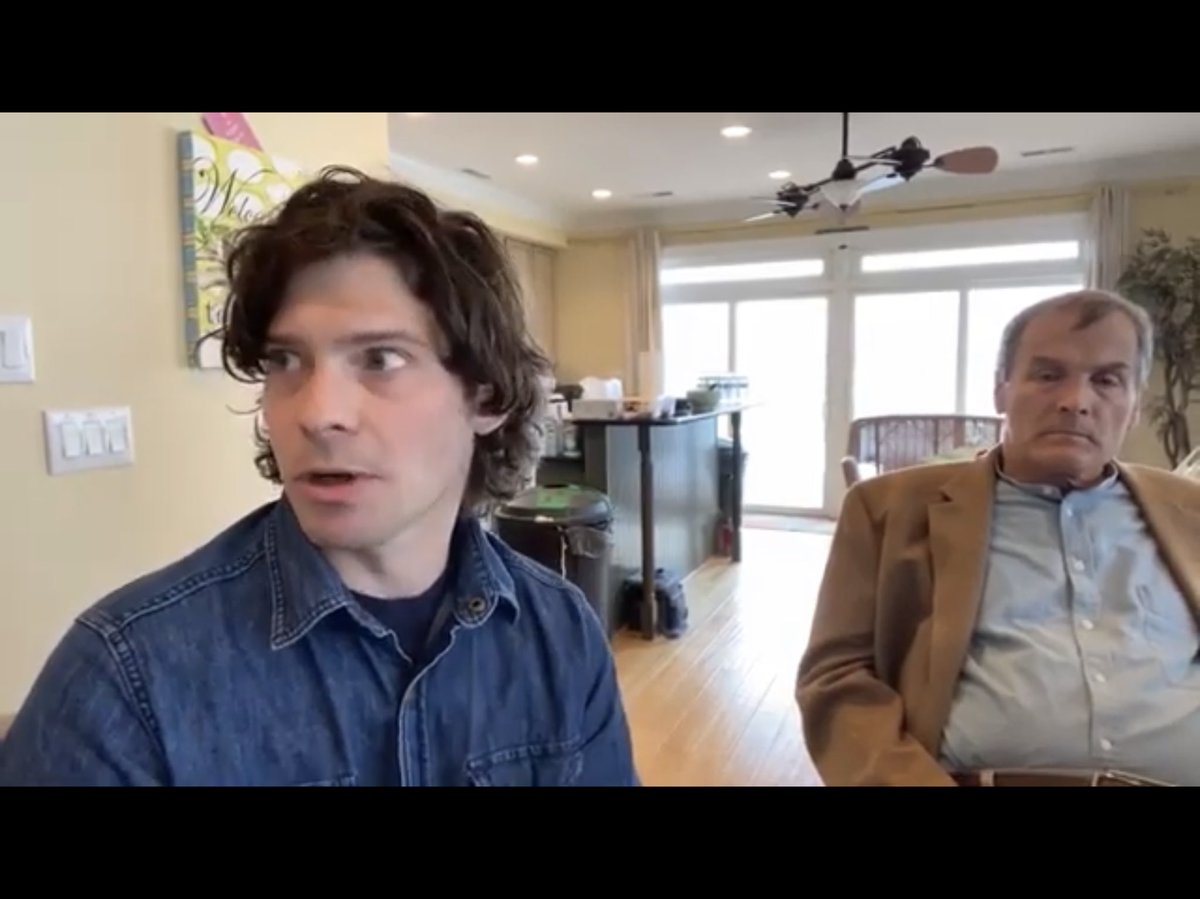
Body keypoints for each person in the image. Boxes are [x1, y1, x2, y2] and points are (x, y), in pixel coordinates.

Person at [0, 166, 640, 787]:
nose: (316, 412)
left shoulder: (560, 632)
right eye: (286, 360)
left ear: (486, 394)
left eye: (380, 359)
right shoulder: (125, 675)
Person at [796, 288, 1200, 787]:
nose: (1076, 402)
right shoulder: (888, 510)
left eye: (1107, 380)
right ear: (1001, 391)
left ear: (1135, 406)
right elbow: (837, 679)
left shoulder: (1188, 512)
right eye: (1048, 375)